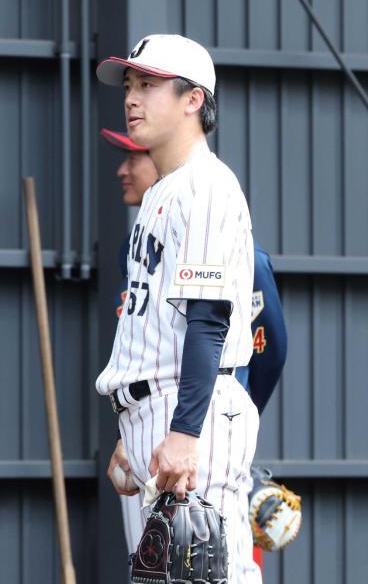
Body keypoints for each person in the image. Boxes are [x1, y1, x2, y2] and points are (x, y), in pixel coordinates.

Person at [94, 34, 261, 583]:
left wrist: (184, 433)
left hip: (192, 415)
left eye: (148, 85)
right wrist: (133, 428)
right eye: (130, 85)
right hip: (157, 413)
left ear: (194, 100)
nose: (132, 98)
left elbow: (208, 321)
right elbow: (155, 324)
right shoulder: (167, 191)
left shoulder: (208, 188)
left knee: (214, 576)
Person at [99, 128, 288, 562]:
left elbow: (268, 349)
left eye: (134, 157)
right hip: (152, 430)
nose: (122, 169)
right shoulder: (142, 238)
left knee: (212, 567)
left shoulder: (223, 228)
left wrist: (221, 421)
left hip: (196, 429)